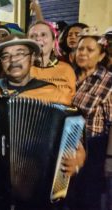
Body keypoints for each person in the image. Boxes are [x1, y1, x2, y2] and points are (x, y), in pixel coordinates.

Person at [0, 35, 85, 210]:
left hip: (39, 184)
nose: (13, 60)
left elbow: (72, 135)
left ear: (32, 58)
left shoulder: (54, 94)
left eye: (20, 53)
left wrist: (79, 157)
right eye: (6, 56)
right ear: (0, 62)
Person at [67, 27, 111, 210]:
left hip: (94, 151)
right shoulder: (70, 76)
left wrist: (109, 160)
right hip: (67, 147)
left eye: (89, 50)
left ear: (101, 56)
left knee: (87, 201)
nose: (82, 53)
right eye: (80, 48)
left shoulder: (108, 81)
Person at [28, 20, 76, 105]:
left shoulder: (67, 69)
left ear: (53, 43)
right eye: (33, 36)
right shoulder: (21, 70)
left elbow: (73, 99)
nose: (38, 38)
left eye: (43, 35)